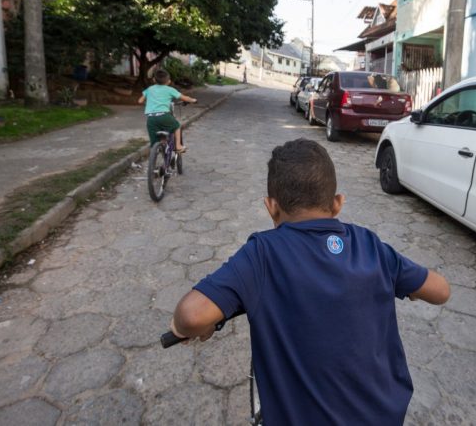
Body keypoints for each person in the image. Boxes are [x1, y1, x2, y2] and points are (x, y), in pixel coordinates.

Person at [170, 138, 450, 425]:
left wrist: (182, 327)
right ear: (337, 203)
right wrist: (410, 288)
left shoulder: (263, 254)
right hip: (384, 416)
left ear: (271, 207)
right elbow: (440, 291)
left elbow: (192, 315)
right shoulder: (371, 245)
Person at [138, 69, 197, 152]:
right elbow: (184, 98)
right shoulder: (169, 90)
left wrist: (150, 102)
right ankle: (178, 146)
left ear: (154, 80)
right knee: (177, 126)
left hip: (151, 119)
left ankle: (156, 151)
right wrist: (193, 100)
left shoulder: (149, 89)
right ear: (169, 81)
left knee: (154, 141)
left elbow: (140, 101)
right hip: (164, 116)